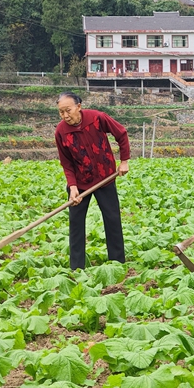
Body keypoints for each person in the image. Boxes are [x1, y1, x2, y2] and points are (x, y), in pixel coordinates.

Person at [54, 92, 130, 269]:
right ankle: (77, 267)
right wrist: (72, 187)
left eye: (68, 110)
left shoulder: (97, 118)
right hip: (80, 183)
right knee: (76, 224)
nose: (65, 116)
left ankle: (117, 263)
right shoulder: (61, 131)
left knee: (112, 219)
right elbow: (66, 163)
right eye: (61, 112)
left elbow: (121, 133)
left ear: (78, 107)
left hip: (105, 178)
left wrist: (124, 161)